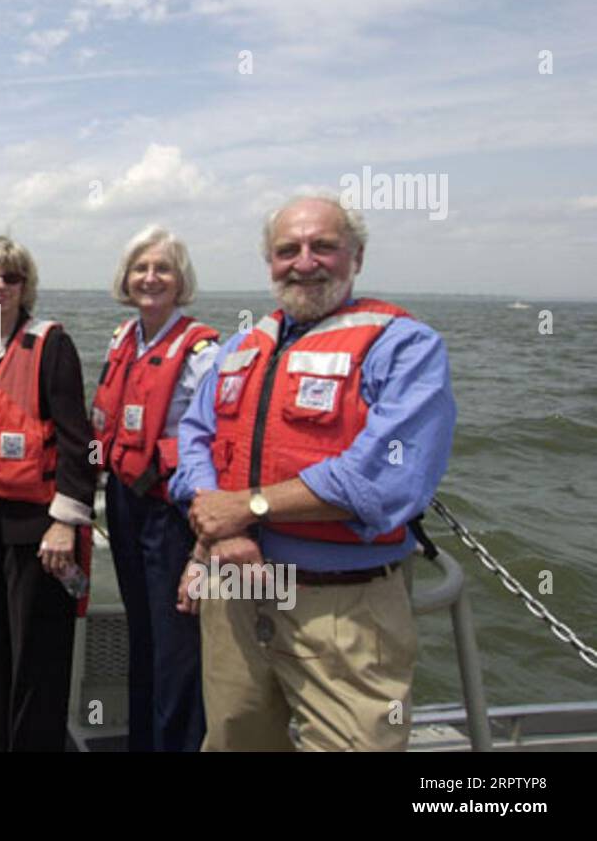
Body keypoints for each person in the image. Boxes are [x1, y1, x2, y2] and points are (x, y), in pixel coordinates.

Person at [170, 194, 456, 752]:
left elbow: (383, 479)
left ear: (357, 256)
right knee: (232, 741)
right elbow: (195, 438)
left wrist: (247, 507)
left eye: (323, 246)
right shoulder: (240, 347)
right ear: (270, 262)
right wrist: (220, 527)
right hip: (236, 592)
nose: (304, 261)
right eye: (287, 250)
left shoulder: (404, 346)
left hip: (343, 610)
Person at [0, 236, 96, 752]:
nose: (0, 286)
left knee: (37, 649)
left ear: (25, 286)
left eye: (11, 278)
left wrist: (66, 520)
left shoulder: (50, 344)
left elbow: (80, 442)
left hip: (37, 523)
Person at [89, 226, 219, 751]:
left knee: (176, 649)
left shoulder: (203, 351)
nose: (150, 278)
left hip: (172, 514)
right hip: (124, 504)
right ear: (126, 278)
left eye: (163, 268)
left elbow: (216, 440)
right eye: (141, 268)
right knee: (141, 635)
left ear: (181, 280)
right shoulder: (124, 338)